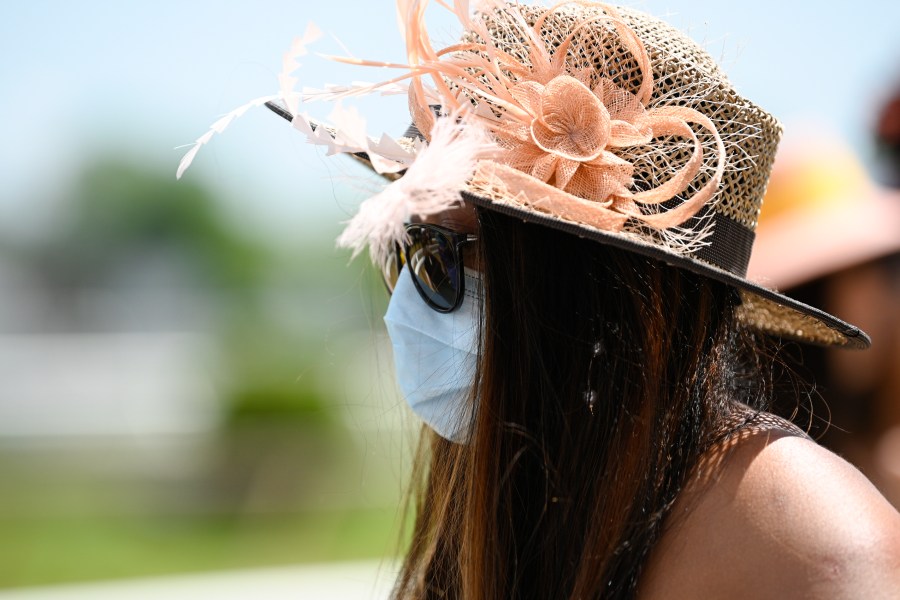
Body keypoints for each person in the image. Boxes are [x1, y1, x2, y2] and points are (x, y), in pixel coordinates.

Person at [180, 1, 900, 597]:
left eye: (443, 254)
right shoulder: (531, 492)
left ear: (594, 298)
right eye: (406, 246)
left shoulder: (812, 550)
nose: (409, 296)